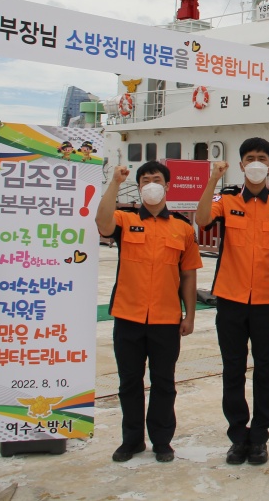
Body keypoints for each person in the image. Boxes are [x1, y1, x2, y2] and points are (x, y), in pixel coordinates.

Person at [194, 137, 269, 466]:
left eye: (261, 157)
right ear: (240, 165)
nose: (255, 162)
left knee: (265, 370)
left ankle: (260, 437)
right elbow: (200, 219)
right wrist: (213, 178)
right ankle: (238, 436)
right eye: (249, 157)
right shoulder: (225, 200)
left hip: (268, 301)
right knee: (233, 370)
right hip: (230, 299)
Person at [96, 162, 202, 464]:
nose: (151, 185)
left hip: (166, 320)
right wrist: (115, 183)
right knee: (129, 383)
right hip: (128, 317)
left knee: (164, 383)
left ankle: (162, 441)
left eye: (157, 180)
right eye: (145, 181)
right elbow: (102, 223)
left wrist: (190, 315)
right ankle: (131, 440)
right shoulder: (125, 220)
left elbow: (189, 274)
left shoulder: (182, 227)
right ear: (139, 187)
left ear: (167, 186)